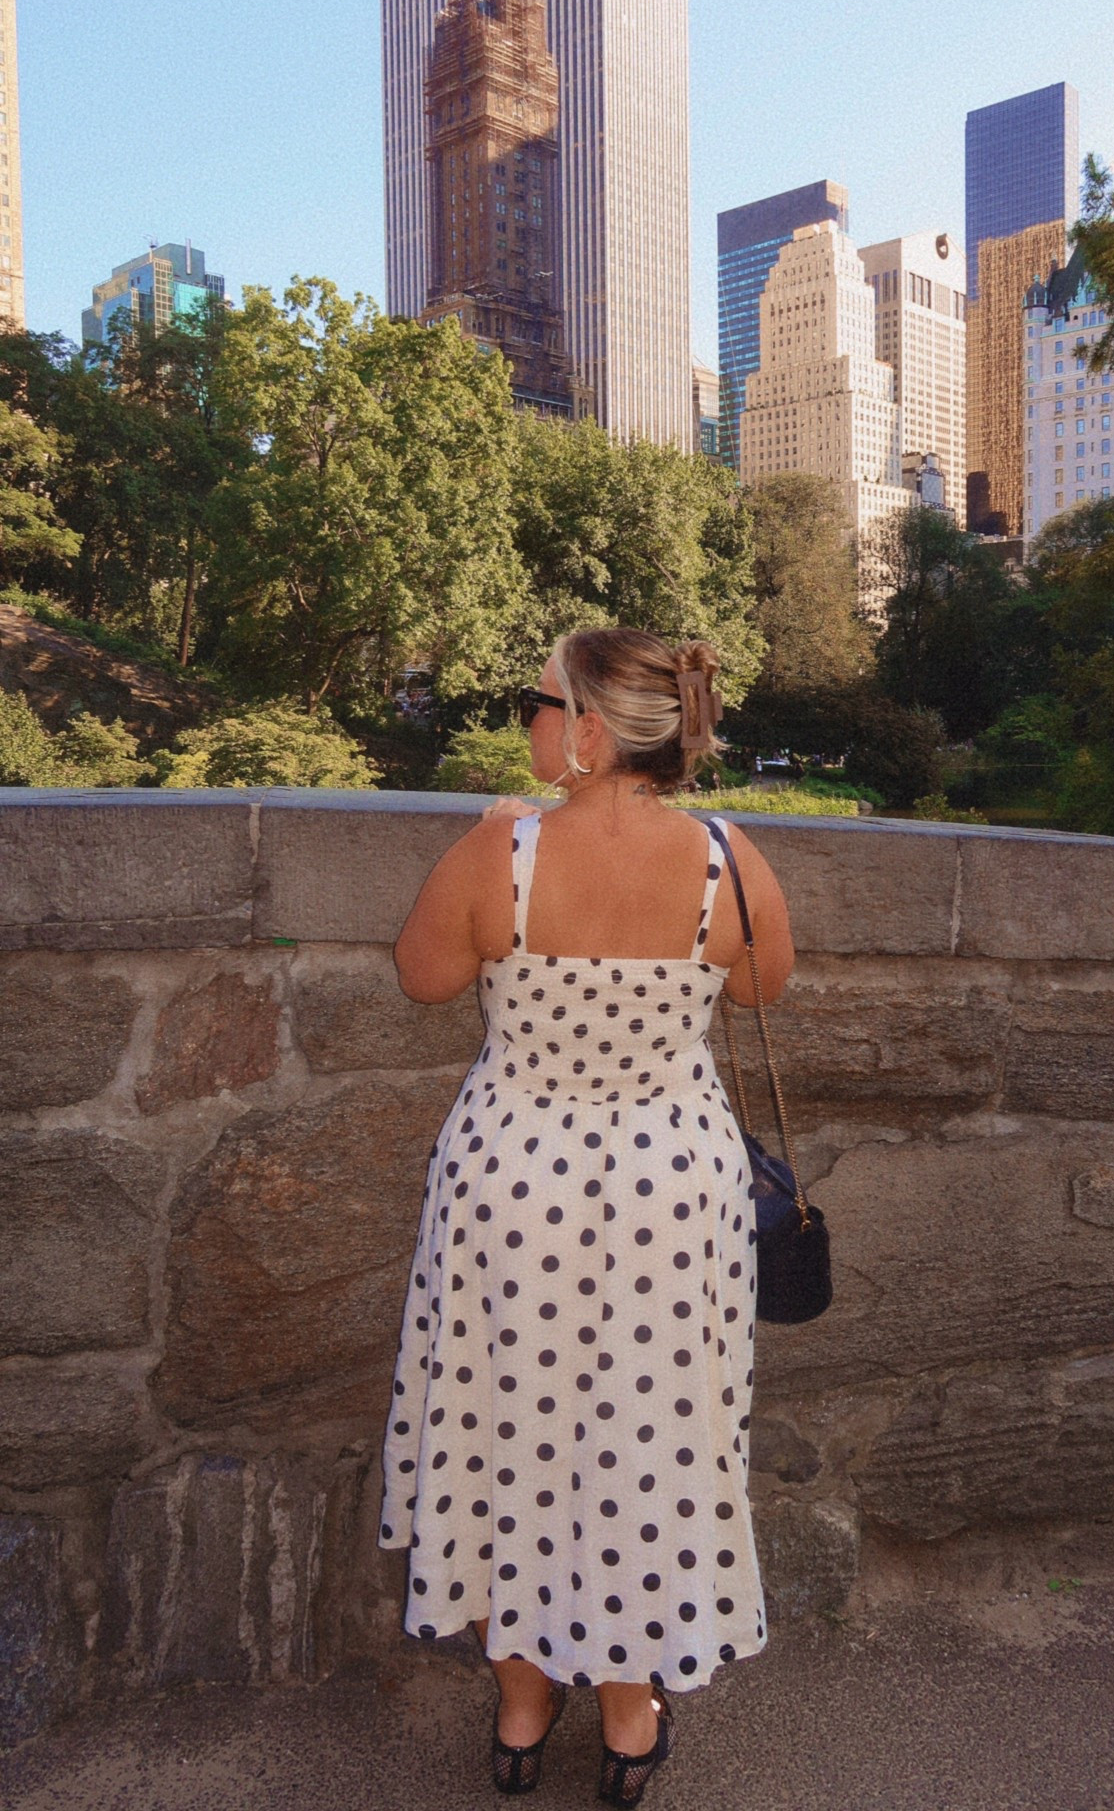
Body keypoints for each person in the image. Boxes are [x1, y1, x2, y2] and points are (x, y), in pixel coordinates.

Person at [384, 627, 795, 1805]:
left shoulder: (501, 853)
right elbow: (764, 984)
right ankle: (627, 1719)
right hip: (671, 1185)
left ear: (591, 729)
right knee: (656, 1434)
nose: (530, 716)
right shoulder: (726, 855)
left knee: (501, 1430)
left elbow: (420, 975)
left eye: (541, 697)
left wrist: (477, 838)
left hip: (517, 1178)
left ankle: (520, 1707)